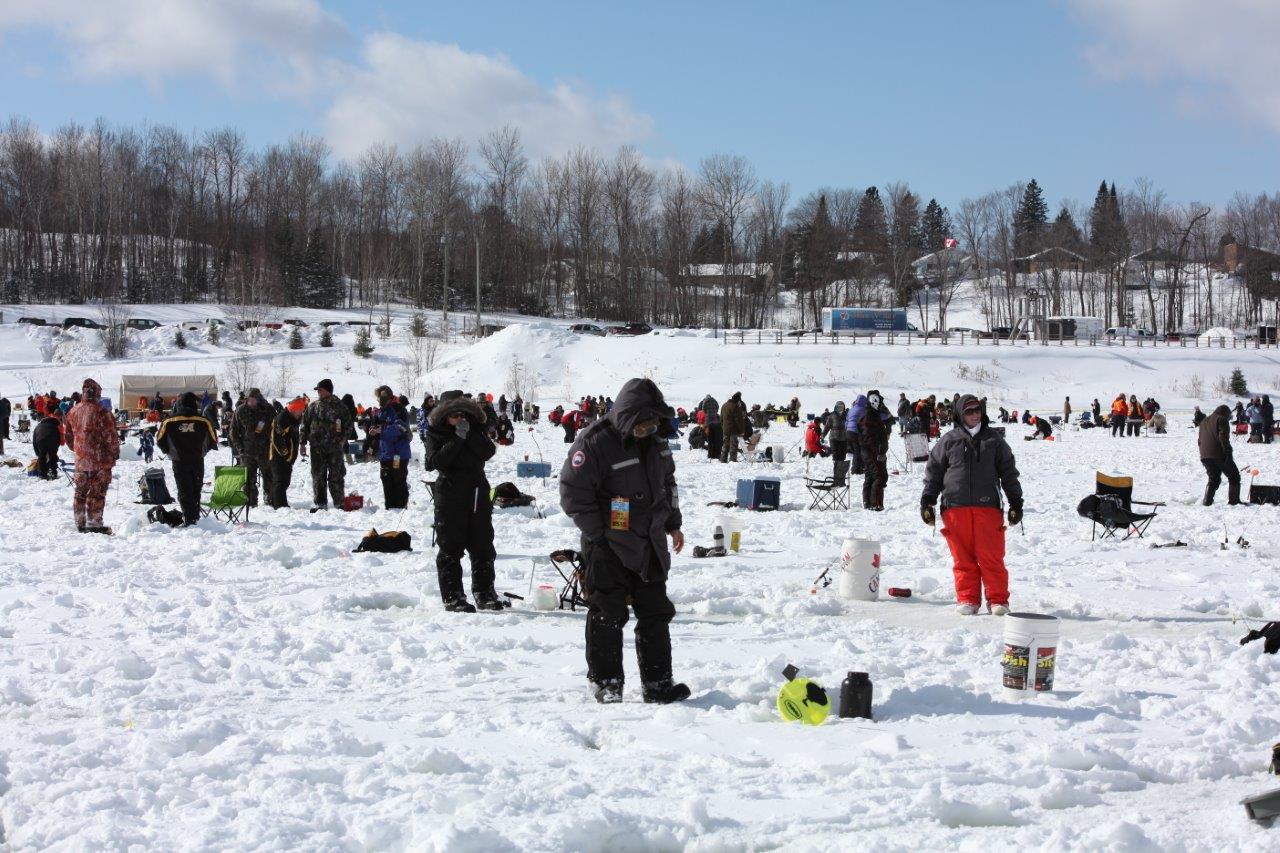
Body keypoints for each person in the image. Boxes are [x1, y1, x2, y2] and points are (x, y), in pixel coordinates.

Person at [559, 378, 689, 705]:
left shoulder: (657, 443)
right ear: (630, 417)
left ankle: (659, 684)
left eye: (654, 422)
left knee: (656, 612)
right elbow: (573, 493)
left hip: (649, 542)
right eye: (644, 423)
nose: (649, 428)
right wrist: (599, 534)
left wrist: (673, 523)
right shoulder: (595, 443)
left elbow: (668, 484)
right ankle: (607, 683)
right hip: (609, 545)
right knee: (607, 613)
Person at [920, 394, 1023, 615]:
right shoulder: (948, 440)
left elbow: (1009, 473)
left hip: (988, 507)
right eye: (969, 411)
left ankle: (998, 600)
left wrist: (1015, 501)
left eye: (977, 410)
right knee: (962, 557)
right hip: (955, 507)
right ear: (960, 414)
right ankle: (968, 598)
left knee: (991, 556)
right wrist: (928, 500)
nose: (974, 415)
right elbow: (934, 473)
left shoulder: (994, 440)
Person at [424, 390, 500, 612]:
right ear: (444, 416)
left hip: (476, 490)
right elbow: (436, 461)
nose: (460, 419)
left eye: (463, 414)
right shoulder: (436, 434)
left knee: (482, 544)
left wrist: (470, 435)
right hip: (449, 493)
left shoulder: (475, 430)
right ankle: (453, 595)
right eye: (454, 415)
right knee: (450, 545)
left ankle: (484, 591)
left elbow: (487, 452)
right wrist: (457, 439)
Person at [63, 378, 120, 534]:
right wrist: (114, 453)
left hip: (81, 461)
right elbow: (111, 437)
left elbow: (68, 438)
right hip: (100, 461)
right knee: (97, 493)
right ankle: (94, 524)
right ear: (97, 393)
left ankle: (80, 523)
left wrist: (80, 450)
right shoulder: (102, 412)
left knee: (80, 492)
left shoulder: (72, 412)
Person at [156, 392, 218, 525]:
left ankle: (189, 517)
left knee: (184, 489)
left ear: (180, 404)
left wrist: (168, 451)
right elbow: (214, 439)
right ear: (194, 404)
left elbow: (159, 439)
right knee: (196, 488)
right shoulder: (203, 421)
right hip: (197, 460)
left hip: (179, 461)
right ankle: (193, 517)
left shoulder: (170, 420)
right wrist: (203, 451)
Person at [299, 379, 354, 511]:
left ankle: (339, 502)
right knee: (318, 475)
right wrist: (302, 442)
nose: (318, 392)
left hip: (334, 447)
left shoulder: (339, 406)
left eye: (320, 390)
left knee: (336, 475)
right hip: (317, 448)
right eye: (317, 390)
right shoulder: (313, 406)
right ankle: (320, 503)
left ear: (327, 390)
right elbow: (304, 425)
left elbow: (348, 425)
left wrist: (343, 439)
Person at [230, 388, 275, 507]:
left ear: (259, 399)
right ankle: (250, 502)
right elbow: (233, 431)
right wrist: (240, 448)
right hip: (247, 451)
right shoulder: (240, 410)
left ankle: (270, 499)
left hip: (265, 450)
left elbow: (276, 428)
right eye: (249, 400)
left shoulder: (268, 409)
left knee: (269, 476)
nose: (251, 402)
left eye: (254, 400)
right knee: (249, 479)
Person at [375, 385, 411, 509]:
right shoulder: (381, 411)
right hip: (385, 452)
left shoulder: (398, 409)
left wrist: (382, 429)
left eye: (383, 397)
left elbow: (401, 428)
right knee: (386, 481)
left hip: (398, 453)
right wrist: (372, 429)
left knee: (398, 481)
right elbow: (375, 424)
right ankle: (389, 508)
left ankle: (401, 508)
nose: (380, 400)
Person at [854, 390, 891, 511]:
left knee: (870, 476)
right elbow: (868, 435)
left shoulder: (872, 414)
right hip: (871, 451)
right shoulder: (870, 416)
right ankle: (875, 503)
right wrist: (879, 450)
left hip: (871, 450)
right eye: (879, 403)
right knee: (877, 476)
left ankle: (868, 502)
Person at [1199, 404, 1241, 506]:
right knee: (1234, 476)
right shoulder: (1222, 419)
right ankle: (1234, 502)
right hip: (1219, 454)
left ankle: (1207, 502)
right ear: (1225, 413)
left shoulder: (1204, 421)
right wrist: (1228, 453)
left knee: (1214, 479)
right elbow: (1223, 438)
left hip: (1204, 455)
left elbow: (1199, 440)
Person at [267, 399, 303, 508]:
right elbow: (276, 437)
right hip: (279, 457)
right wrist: (285, 453)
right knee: (281, 481)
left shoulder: (293, 418)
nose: (301, 413)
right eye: (300, 411)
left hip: (287, 458)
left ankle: (273, 501)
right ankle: (280, 506)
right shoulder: (282, 418)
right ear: (294, 410)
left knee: (284, 481)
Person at [719, 392, 748, 463]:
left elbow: (721, 419)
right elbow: (739, 420)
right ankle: (732, 461)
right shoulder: (736, 407)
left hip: (725, 429)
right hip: (734, 430)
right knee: (733, 446)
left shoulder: (724, 405)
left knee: (725, 445)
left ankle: (723, 460)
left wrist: (723, 427)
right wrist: (742, 430)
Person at [32, 410, 62, 479]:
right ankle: (53, 472)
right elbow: (59, 439)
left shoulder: (38, 427)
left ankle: (43, 474)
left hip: (40, 441)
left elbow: (34, 441)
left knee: (42, 457)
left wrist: (38, 453)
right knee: (53, 456)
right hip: (53, 441)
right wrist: (55, 449)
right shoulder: (55, 427)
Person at [700, 394, 722, 461]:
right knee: (716, 432)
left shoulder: (705, 401)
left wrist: (707, 413)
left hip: (708, 418)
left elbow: (703, 409)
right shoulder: (714, 400)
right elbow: (718, 407)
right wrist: (715, 412)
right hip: (715, 417)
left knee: (709, 432)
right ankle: (716, 453)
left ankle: (710, 453)